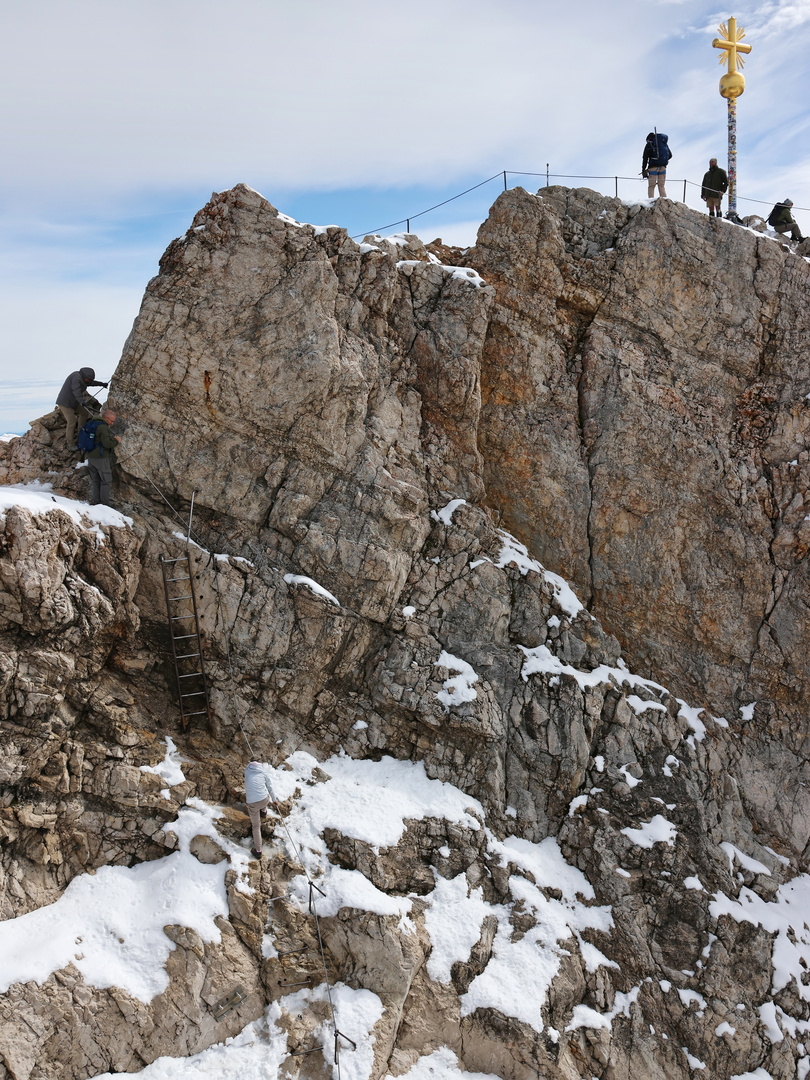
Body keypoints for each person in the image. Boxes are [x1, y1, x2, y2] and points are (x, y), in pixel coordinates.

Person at [56, 367, 108, 449]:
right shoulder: (76, 377)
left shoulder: (83, 378)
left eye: (89, 380)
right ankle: (70, 445)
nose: (88, 381)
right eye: (88, 379)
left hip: (74, 403)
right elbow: (76, 390)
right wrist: (81, 401)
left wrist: (102, 384)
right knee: (71, 422)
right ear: (85, 376)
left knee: (84, 413)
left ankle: (81, 431)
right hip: (65, 403)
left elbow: (91, 383)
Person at [83, 408, 121, 506]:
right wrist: (116, 441)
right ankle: (104, 505)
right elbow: (107, 444)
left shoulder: (93, 422)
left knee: (96, 481)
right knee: (106, 481)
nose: (112, 423)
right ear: (105, 418)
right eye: (111, 421)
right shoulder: (103, 427)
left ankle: (96, 503)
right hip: (101, 458)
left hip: (91, 457)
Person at [244, 760, 275, 859]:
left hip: (253, 803)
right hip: (263, 800)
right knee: (265, 796)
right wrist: (275, 800)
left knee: (256, 826)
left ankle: (258, 851)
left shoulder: (246, 771)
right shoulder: (263, 772)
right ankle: (264, 811)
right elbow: (269, 787)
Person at [642, 131, 672, 199]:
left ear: (648, 139)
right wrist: (662, 160)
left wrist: (643, 170)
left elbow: (645, 158)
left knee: (651, 186)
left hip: (653, 168)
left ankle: (651, 201)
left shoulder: (649, 144)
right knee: (661, 186)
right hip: (663, 168)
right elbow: (670, 155)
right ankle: (664, 201)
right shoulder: (663, 144)